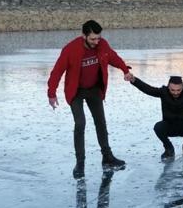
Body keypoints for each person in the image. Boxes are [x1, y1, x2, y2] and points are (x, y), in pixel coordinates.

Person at [48, 20, 133, 179]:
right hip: (76, 91)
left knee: (100, 121)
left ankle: (107, 157)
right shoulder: (70, 49)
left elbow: (112, 57)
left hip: (94, 88)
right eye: (93, 39)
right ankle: (80, 163)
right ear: (84, 36)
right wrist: (51, 93)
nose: (96, 42)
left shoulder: (102, 45)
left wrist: (124, 69)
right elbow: (57, 71)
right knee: (80, 123)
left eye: (98, 38)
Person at [130, 75, 183, 160]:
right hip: (169, 126)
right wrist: (134, 80)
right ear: (168, 87)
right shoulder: (163, 92)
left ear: (182, 87)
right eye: (172, 90)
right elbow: (148, 89)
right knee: (158, 126)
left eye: (178, 90)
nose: (175, 92)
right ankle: (169, 148)